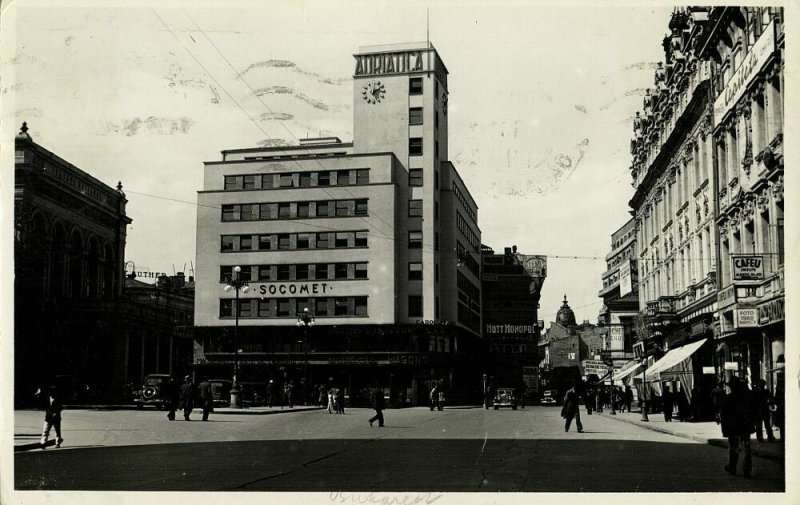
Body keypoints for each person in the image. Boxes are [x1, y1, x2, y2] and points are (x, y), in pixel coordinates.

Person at [720, 377, 757, 478]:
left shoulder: (728, 398)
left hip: (733, 427)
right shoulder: (748, 397)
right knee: (746, 447)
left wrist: (724, 430)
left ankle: (732, 467)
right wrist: (753, 425)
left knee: (733, 448)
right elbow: (754, 411)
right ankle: (747, 470)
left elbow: (724, 416)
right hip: (745, 426)